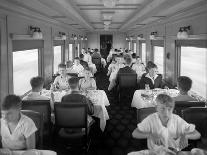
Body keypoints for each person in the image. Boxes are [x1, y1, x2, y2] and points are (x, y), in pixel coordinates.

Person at [131, 94, 200, 155]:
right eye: (162, 109)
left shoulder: (177, 119)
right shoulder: (151, 119)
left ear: (173, 109)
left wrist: (186, 135)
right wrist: (150, 135)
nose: (166, 113)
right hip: (155, 152)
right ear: (156, 108)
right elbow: (135, 133)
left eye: (169, 109)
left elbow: (197, 134)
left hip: (174, 152)